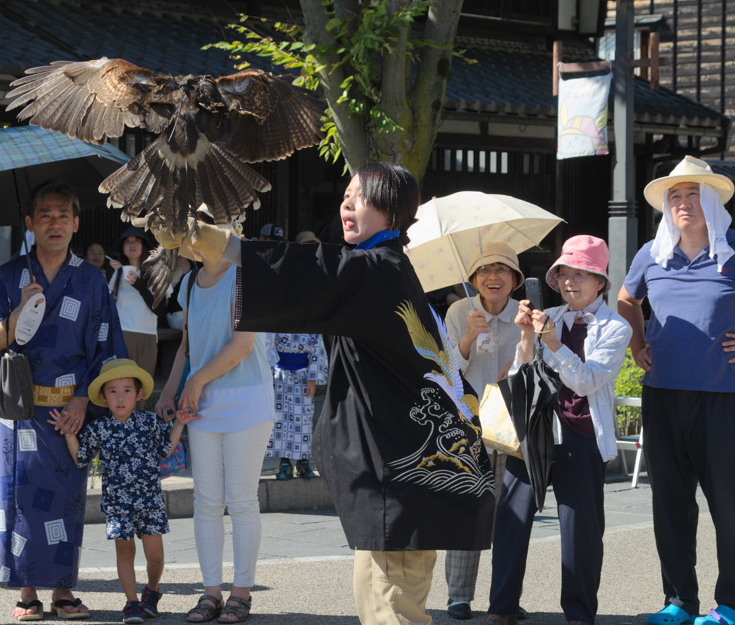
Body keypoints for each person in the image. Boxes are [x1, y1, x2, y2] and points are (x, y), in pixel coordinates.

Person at [156, 162, 496, 625]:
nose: (347, 203)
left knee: (390, 606)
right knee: (379, 599)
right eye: (346, 194)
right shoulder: (381, 266)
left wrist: (226, 245)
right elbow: (320, 272)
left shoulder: (379, 268)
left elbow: (312, 271)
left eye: (361, 195)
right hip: (400, 471)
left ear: (392, 212)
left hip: (401, 476)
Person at [0, 180, 126, 622]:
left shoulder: (92, 280)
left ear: (76, 223)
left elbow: (107, 348)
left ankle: (63, 589)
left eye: (63, 215)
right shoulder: (6, 277)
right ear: (30, 223)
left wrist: (82, 403)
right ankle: (27, 591)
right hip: (17, 410)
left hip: (68, 412)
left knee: (64, 502)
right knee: (18, 499)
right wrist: (14, 318)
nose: (54, 223)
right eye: (45, 216)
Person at [483, 235, 631, 625]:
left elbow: (586, 382)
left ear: (600, 281)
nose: (570, 282)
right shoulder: (549, 315)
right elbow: (520, 374)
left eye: (581, 274)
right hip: (535, 429)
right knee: (511, 519)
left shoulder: (617, 327)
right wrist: (529, 338)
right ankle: (501, 608)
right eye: (563, 273)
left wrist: (551, 339)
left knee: (580, 529)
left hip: (582, 434)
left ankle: (579, 614)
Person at [617, 156, 735, 625]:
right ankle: (680, 601)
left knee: (728, 503)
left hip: (723, 396)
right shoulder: (652, 253)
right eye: (675, 196)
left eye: (692, 194)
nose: (683, 203)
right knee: (670, 503)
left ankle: (729, 602)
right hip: (662, 393)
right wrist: (637, 342)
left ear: (710, 200)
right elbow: (627, 300)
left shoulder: (732, 249)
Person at [153, 209, 275, 624]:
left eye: (200, 225)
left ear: (227, 230)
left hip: (245, 400)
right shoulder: (188, 282)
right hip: (200, 401)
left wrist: (195, 383)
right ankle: (210, 592)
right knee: (206, 502)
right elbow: (187, 345)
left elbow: (242, 345)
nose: (193, 235)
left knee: (240, 501)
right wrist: (169, 392)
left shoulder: (246, 275)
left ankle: (241, 593)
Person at [60, 358, 196, 624]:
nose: (120, 397)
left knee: (155, 555)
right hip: (117, 503)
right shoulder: (99, 428)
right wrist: (68, 434)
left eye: (126, 390)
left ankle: (152, 591)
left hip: (150, 500)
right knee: (125, 553)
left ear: (139, 394)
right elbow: (81, 458)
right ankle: (131, 602)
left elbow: (164, 450)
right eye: (113, 391)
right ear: (103, 397)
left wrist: (179, 424)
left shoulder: (150, 422)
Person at [442, 245, 525, 620]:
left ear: (515, 278)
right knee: (466, 509)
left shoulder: (524, 315)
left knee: (512, 516)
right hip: (468, 424)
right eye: (485, 271)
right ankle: (459, 596)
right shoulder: (460, 311)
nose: (494, 277)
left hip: (512, 426)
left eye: (502, 270)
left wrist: (521, 361)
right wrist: (466, 340)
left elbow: (538, 366)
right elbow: (445, 370)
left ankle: (505, 597)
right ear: (473, 279)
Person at [265, 332, 327, 480]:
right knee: (279, 421)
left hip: (302, 375)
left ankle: (303, 461)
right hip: (278, 375)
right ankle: (284, 462)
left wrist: (312, 379)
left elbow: (317, 348)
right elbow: (268, 344)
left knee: (303, 421)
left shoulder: (309, 321)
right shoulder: (275, 321)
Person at [108, 227, 166, 378]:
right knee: (120, 382)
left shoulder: (156, 273)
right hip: (121, 333)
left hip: (147, 334)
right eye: (127, 242)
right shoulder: (117, 272)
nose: (132, 245)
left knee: (143, 385)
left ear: (145, 246)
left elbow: (160, 310)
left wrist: (140, 286)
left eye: (137, 241)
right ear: (122, 248)